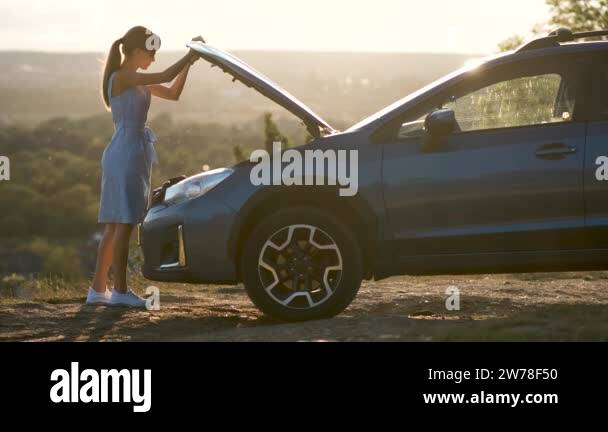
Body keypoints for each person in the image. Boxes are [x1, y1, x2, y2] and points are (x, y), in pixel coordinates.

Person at [86, 26, 203, 307]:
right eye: (151, 54)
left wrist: (190, 64)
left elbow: (172, 92)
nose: (153, 60)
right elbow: (164, 75)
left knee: (116, 224)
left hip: (131, 151)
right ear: (137, 51)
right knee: (124, 224)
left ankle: (97, 290)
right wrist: (190, 55)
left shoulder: (135, 79)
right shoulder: (124, 77)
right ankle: (120, 291)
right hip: (125, 152)